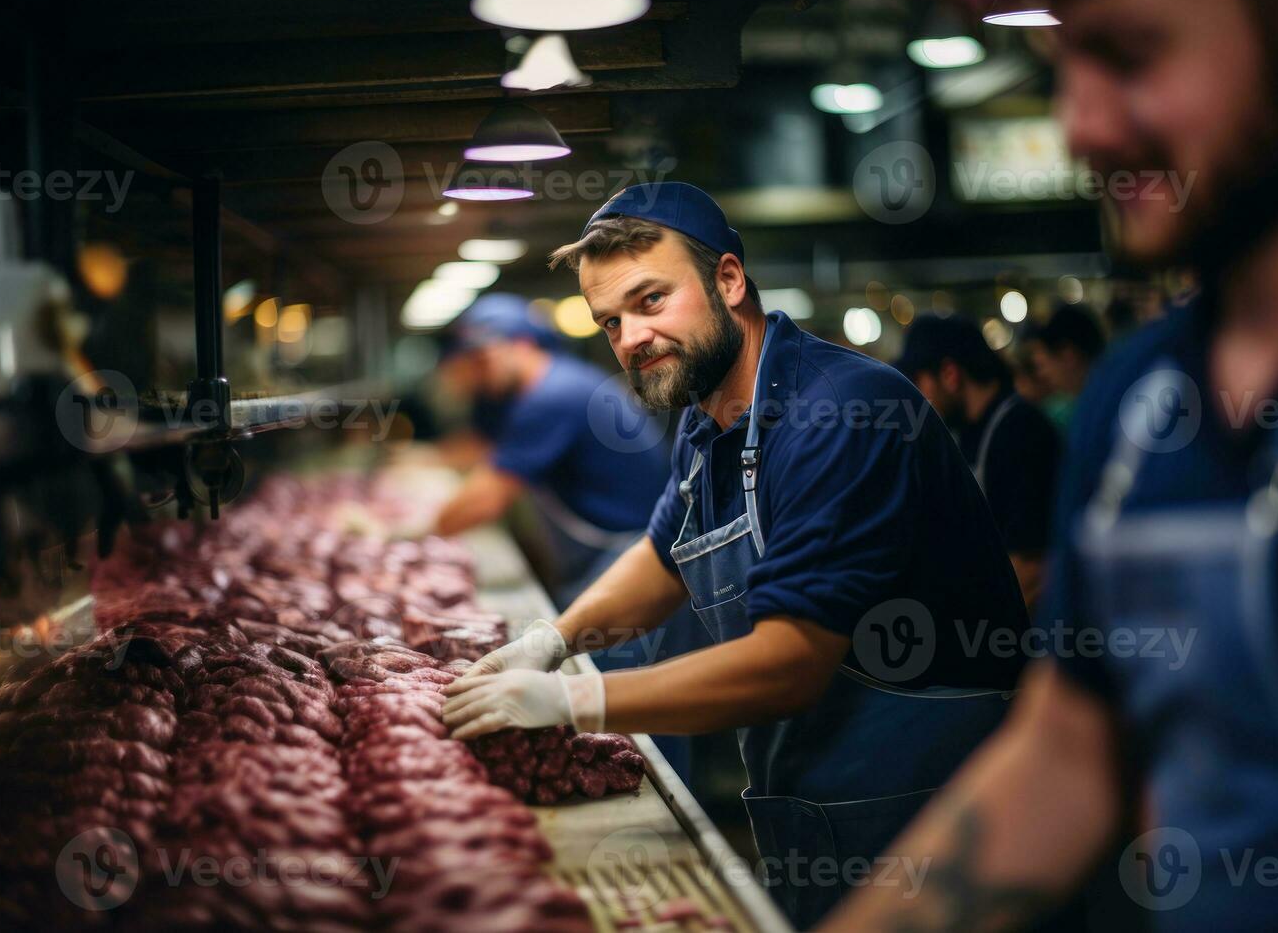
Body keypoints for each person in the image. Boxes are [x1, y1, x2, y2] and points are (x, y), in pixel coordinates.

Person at [823, 0, 1278, 930]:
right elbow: (1069, 747)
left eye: (1127, 53)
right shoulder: (1136, 396)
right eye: (1064, 63)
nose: (1083, 126)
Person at [440, 182, 1029, 927]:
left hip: (935, 807)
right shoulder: (708, 414)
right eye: (609, 321)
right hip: (813, 798)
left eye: (650, 301)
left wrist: (576, 702)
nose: (629, 338)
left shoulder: (839, 416)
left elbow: (789, 661)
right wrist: (551, 642)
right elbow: (662, 560)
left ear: (728, 279)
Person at [430, 293, 668, 606]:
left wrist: (414, 534)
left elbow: (485, 501)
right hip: (615, 547)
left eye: (485, 358)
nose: (480, 371)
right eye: (472, 361)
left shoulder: (552, 396)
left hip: (633, 554)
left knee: (621, 653)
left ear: (524, 344)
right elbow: (488, 449)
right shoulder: (559, 380)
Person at [898, 315, 1062, 608]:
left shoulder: (1021, 431)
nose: (916, 398)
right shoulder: (968, 433)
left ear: (950, 374)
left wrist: (986, 643)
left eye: (918, 382)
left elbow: (1031, 566)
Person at [1026, 304, 1107, 431]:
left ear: (1068, 356)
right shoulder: (1088, 402)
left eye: (1042, 365)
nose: (1041, 374)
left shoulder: (1102, 408)